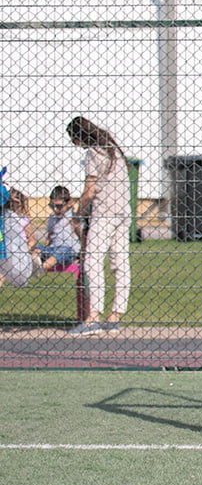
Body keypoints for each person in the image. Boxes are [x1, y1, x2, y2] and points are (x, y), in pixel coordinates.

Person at [66, 117, 131, 336]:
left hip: (104, 214)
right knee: (120, 262)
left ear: (79, 137)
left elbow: (90, 190)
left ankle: (93, 316)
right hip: (123, 212)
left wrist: (78, 213)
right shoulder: (112, 150)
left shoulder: (93, 153)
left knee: (92, 260)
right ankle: (114, 316)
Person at [0, 188, 39, 289]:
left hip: (20, 249)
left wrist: (26, 250)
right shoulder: (4, 217)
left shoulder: (24, 220)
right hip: (6, 246)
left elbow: (32, 240)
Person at [37, 186, 83, 272]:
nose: (55, 209)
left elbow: (82, 237)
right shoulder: (52, 217)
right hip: (53, 249)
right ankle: (32, 265)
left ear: (69, 203)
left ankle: (40, 269)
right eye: (52, 206)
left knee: (61, 252)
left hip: (69, 251)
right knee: (36, 248)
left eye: (59, 206)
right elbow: (49, 236)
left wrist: (80, 256)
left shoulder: (74, 217)